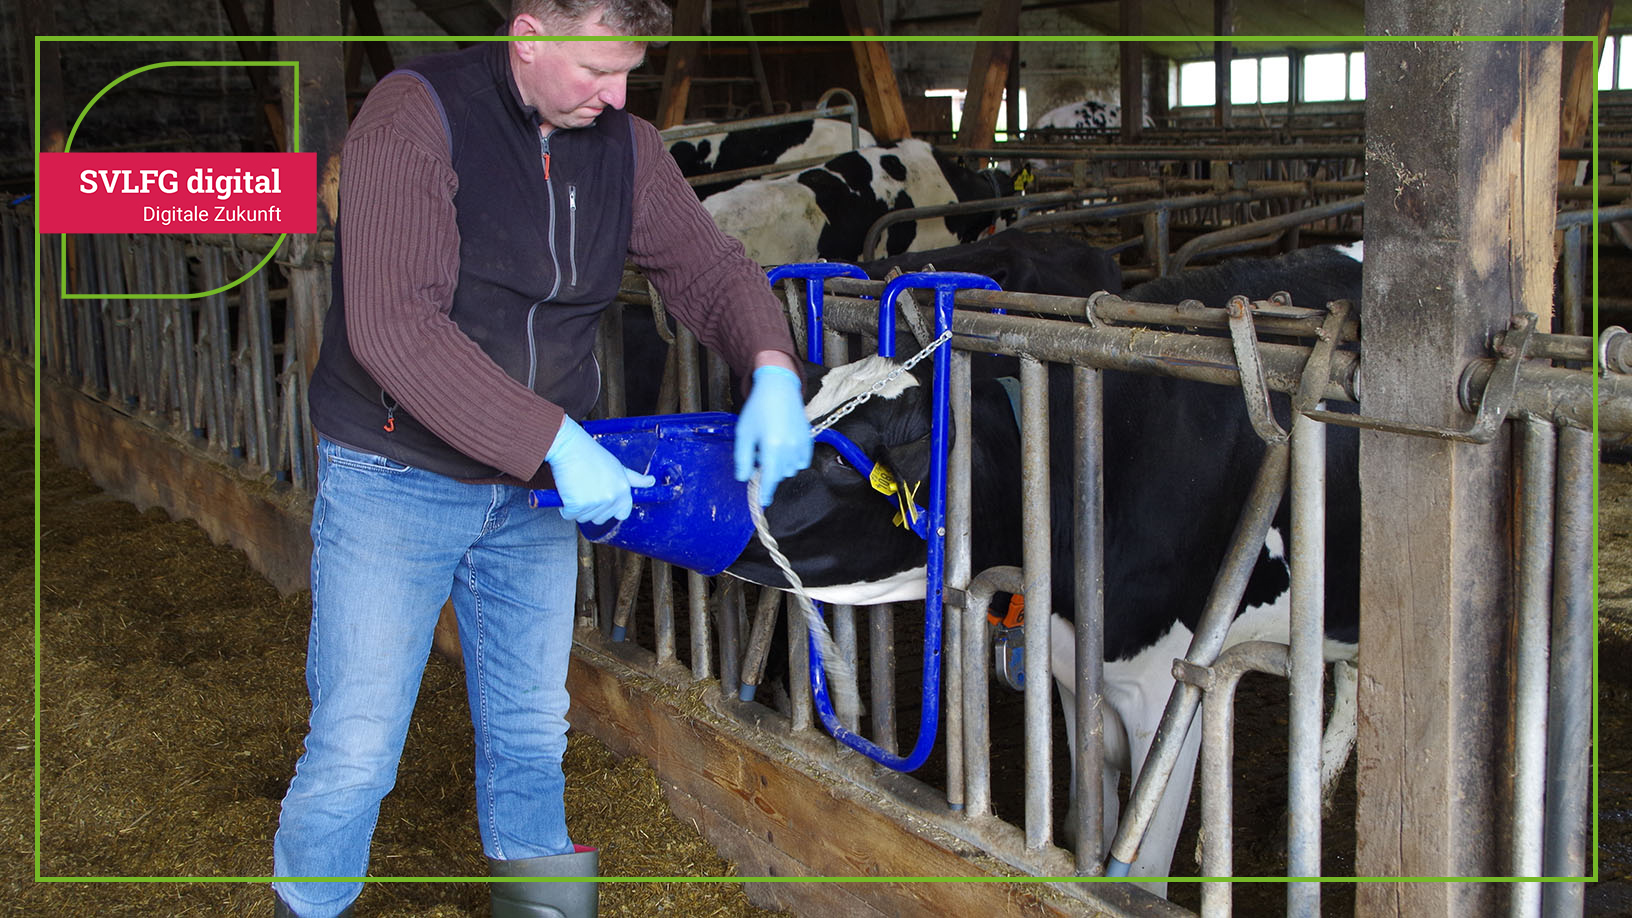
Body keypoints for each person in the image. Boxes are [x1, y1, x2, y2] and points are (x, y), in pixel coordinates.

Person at [272, 2, 812, 916]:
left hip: (531, 496)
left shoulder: (624, 146)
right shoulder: (414, 117)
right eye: (597, 71)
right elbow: (395, 329)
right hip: (397, 476)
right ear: (528, 37)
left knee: (530, 731)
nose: (618, 94)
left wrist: (770, 364)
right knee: (358, 744)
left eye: (629, 71)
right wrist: (557, 441)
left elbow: (710, 268)